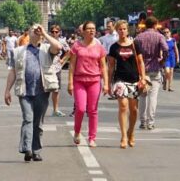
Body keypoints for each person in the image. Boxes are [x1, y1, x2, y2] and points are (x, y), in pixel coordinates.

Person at [4, 23, 61, 161]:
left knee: (38, 122)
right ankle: (27, 149)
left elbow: (58, 47)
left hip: (42, 90)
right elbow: (13, 71)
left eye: (38, 30)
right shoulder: (19, 51)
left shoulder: (47, 49)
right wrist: (7, 90)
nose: (36, 32)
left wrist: (44, 34)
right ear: (28, 33)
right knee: (28, 119)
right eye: (33, 30)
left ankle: (36, 150)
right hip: (25, 91)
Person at [68, 21, 109, 148]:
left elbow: (103, 66)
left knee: (92, 110)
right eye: (89, 29)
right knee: (80, 109)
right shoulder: (76, 46)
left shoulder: (99, 47)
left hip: (94, 81)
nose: (92, 31)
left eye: (93, 29)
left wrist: (106, 83)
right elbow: (72, 65)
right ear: (83, 31)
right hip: (79, 80)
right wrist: (70, 82)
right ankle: (77, 131)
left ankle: (92, 137)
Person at [107, 20, 146, 149]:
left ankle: (131, 132)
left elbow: (140, 62)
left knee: (133, 109)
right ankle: (123, 135)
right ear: (116, 31)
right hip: (120, 79)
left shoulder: (135, 44)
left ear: (127, 30)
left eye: (124, 29)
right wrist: (108, 83)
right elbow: (111, 66)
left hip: (134, 79)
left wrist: (143, 78)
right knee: (123, 106)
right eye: (120, 29)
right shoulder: (114, 47)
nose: (122, 31)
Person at [134, 16, 169, 130]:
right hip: (155, 68)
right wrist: (162, 60)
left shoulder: (138, 37)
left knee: (143, 96)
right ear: (155, 25)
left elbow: (134, 53)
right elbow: (166, 49)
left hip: (142, 70)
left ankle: (143, 121)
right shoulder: (159, 36)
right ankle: (151, 122)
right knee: (153, 97)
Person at [49, 26, 70, 116]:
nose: (54, 33)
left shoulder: (62, 41)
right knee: (44, 90)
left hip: (57, 68)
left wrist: (63, 60)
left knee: (56, 90)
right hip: (47, 67)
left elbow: (69, 51)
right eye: (52, 31)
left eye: (56, 32)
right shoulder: (46, 40)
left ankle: (55, 109)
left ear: (59, 32)